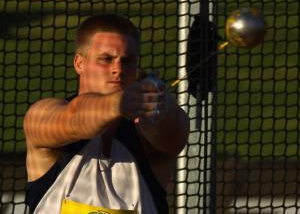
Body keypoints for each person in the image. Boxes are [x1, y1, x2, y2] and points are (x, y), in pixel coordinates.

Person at [23, 14, 189, 214]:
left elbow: (172, 130)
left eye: (127, 61)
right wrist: (120, 103)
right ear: (79, 63)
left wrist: (161, 106)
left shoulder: (147, 134)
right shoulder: (43, 115)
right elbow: (75, 119)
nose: (118, 69)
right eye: (106, 59)